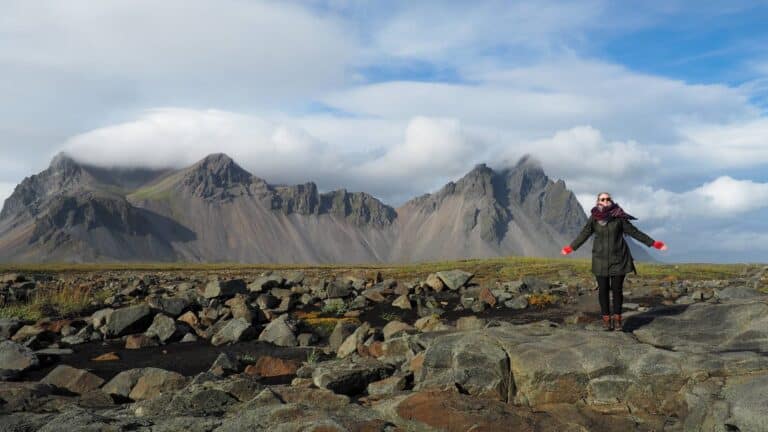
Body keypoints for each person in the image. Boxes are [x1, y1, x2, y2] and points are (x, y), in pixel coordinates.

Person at [560, 192, 667, 331]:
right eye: (602, 199)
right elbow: (584, 234)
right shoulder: (594, 218)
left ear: (611, 200)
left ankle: (617, 320)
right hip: (600, 260)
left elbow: (635, 232)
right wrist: (570, 248)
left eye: (607, 199)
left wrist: (654, 244)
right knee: (603, 291)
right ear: (598, 201)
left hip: (619, 259)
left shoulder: (619, 217)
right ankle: (606, 320)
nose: (605, 201)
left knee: (617, 291)